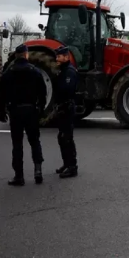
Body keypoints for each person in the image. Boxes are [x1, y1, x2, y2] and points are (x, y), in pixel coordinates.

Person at [0, 44, 47, 186]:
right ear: (26, 55)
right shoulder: (35, 71)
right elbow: (42, 93)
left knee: (17, 144)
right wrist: (40, 109)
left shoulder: (8, 72)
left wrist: (1, 112)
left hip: (15, 111)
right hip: (31, 110)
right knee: (34, 141)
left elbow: (1, 95)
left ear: (17, 56)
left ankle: (19, 176)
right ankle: (38, 172)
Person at [54, 46, 79, 179]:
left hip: (67, 108)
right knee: (62, 137)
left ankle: (72, 166)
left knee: (67, 138)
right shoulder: (62, 70)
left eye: (59, 56)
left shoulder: (69, 72)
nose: (56, 59)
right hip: (62, 108)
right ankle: (66, 163)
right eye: (56, 56)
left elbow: (67, 90)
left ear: (66, 57)